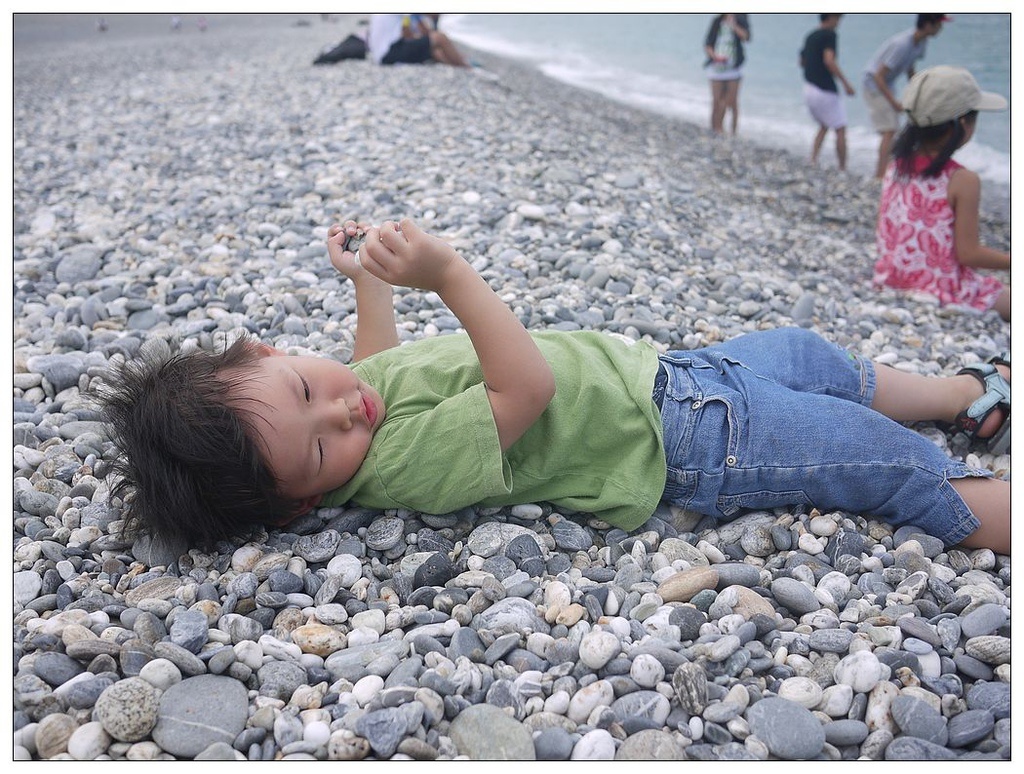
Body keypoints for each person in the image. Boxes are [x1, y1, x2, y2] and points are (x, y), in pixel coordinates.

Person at [99, 220, 1011, 556]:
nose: (345, 409)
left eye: (305, 386)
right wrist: (448, 273)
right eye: (320, 446)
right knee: (865, 457)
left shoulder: (356, 409)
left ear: (266, 349)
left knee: (811, 356)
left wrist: (366, 287)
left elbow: (370, 366)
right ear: (302, 505)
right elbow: (525, 388)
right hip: (685, 442)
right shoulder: (403, 463)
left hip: (669, 376)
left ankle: (960, 393)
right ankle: (986, 505)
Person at [874, 66, 1010, 322]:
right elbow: (968, 254)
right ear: (962, 123)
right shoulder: (962, 180)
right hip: (943, 290)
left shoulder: (896, 167)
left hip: (892, 280)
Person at [862, 14, 949, 179]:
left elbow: (910, 68)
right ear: (928, 25)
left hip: (886, 84)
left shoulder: (921, 42)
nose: (941, 28)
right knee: (889, 130)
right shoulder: (902, 44)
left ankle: (886, 171)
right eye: (939, 24)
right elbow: (878, 75)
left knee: (890, 131)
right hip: (873, 84)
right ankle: (880, 176)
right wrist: (894, 102)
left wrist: (919, 91)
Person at [799, 14, 855, 171]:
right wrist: (846, 84)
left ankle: (813, 158)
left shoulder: (810, 35)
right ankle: (842, 167)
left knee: (824, 124)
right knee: (840, 128)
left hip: (809, 87)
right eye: (838, 18)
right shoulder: (830, 35)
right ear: (830, 17)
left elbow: (802, 61)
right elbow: (829, 60)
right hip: (825, 89)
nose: (838, 22)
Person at [703, 14, 750, 135]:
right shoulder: (717, 21)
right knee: (716, 100)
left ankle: (733, 131)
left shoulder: (741, 19)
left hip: (733, 67)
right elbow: (708, 43)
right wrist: (714, 57)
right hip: (717, 66)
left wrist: (733, 25)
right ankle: (716, 128)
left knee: (731, 101)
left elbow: (746, 37)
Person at [366, 13, 469, 68]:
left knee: (434, 50)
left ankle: (455, 63)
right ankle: (465, 67)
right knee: (440, 38)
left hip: (382, 54)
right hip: (389, 54)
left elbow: (406, 33)